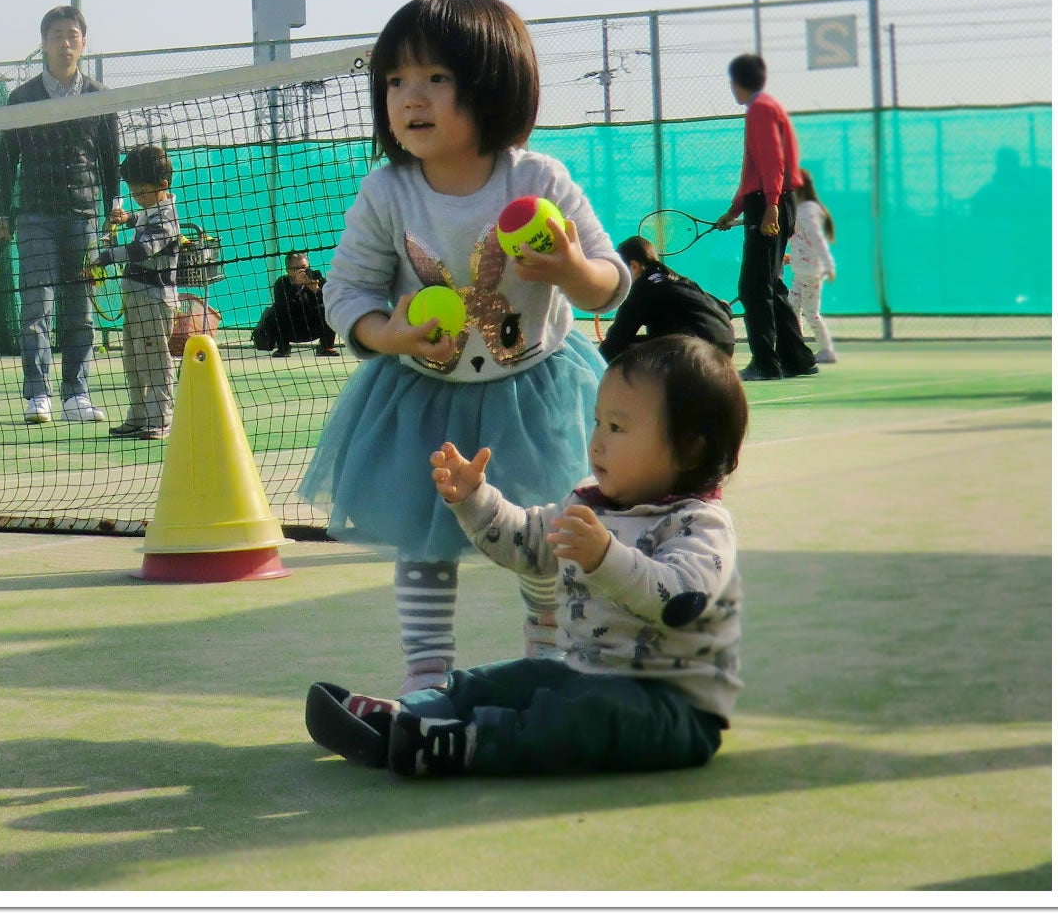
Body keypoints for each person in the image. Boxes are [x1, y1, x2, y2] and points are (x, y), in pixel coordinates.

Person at [298, 0, 630, 697]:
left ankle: (546, 659)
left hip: (535, 394)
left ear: (492, 84)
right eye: (395, 81)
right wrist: (386, 331)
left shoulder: (536, 179)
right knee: (424, 546)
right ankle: (427, 680)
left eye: (436, 79)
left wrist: (571, 269)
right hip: (421, 398)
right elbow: (346, 294)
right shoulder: (387, 192)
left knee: (544, 541)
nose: (410, 98)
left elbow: (609, 283)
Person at [304, 334, 745, 779]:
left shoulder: (698, 523)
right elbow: (528, 543)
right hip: (582, 671)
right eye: (597, 422)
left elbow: (680, 598)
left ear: (689, 448)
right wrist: (476, 501)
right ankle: (401, 715)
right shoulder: (590, 504)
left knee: (576, 715)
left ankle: (466, 743)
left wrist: (605, 558)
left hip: (667, 706)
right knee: (508, 680)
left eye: (617, 427)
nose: (596, 443)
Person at [0, 5, 120, 426]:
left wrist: (113, 206)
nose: (65, 44)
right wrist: (0, 213)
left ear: (82, 42)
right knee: (36, 309)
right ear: (44, 44)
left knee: (80, 310)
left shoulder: (101, 97)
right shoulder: (21, 99)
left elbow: (109, 157)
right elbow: (5, 160)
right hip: (33, 217)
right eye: (56, 36)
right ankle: (38, 395)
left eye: (72, 36)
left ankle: (76, 396)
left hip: (83, 215)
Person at [717, 54, 818, 382]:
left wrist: (771, 205)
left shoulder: (760, 110)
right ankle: (797, 358)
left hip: (770, 204)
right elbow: (755, 169)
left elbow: (772, 163)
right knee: (771, 285)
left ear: (737, 82)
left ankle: (765, 363)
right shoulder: (766, 107)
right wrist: (735, 210)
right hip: (768, 203)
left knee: (753, 287)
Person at [86, 145, 182, 440]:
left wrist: (105, 256)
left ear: (162, 186)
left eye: (140, 193)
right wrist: (126, 218)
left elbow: (143, 249)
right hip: (135, 298)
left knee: (155, 359)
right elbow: (141, 220)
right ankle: (139, 416)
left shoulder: (166, 218)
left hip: (155, 300)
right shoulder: (150, 211)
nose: (137, 198)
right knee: (133, 357)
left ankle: (161, 417)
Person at [598, 236, 735, 365]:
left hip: (697, 351)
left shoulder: (642, 289)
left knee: (610, 350)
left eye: (620, 270)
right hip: (724, 349)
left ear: (634, 266)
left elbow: (616, 339)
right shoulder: (678, 279)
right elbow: (725, 309)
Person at [787, 170, 839, 365]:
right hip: (801, 270)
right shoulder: (802, 209)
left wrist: (828, 264)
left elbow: (817, 239)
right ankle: (798, 347)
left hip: (809, 272)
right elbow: (803, 243)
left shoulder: (807, 210)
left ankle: (827, 350)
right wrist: (791, 258)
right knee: (793, 307)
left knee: (811, 312)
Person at [252, 252, 341, 357]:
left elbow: (330, 301)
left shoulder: (317, 279)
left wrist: (316, 290)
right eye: (296, 268)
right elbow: (283, 308)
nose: (302, 271)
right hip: (291, 329)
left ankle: (326, 346)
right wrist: (296, 287)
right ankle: (283, 347)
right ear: (288, 271)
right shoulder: (281, 283)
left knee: (330, 308)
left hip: (313, 327)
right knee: (275, 311)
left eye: (304, 267)